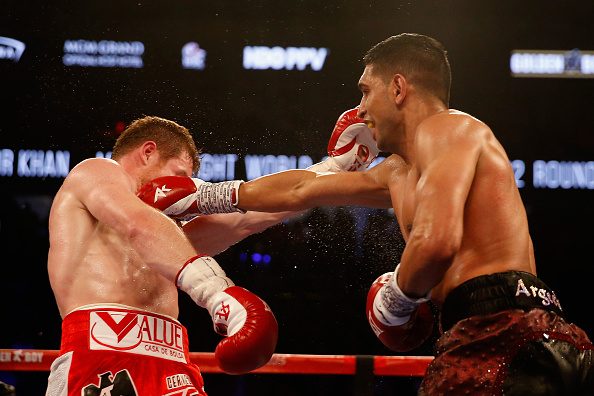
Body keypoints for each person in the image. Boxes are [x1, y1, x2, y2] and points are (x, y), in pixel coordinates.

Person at [145, 34, 594, 395]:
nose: (360, 109)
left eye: (365, 90)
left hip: (505, 329)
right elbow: (303, 188)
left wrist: (398, 296)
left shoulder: (450, 127)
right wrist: (209, 196)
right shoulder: (399, 172)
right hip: (494, 331)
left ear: (398, 88)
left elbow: (436, 244)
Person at [45, 116, 279, 396]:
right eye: (178, 175)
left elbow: (248, 219)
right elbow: (137, 223)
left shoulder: (169, 235)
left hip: (174, 366)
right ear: (147, 152)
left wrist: (329, 175)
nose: (179, 188)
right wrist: (214, 291)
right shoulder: (96, 172)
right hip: (102, 358)